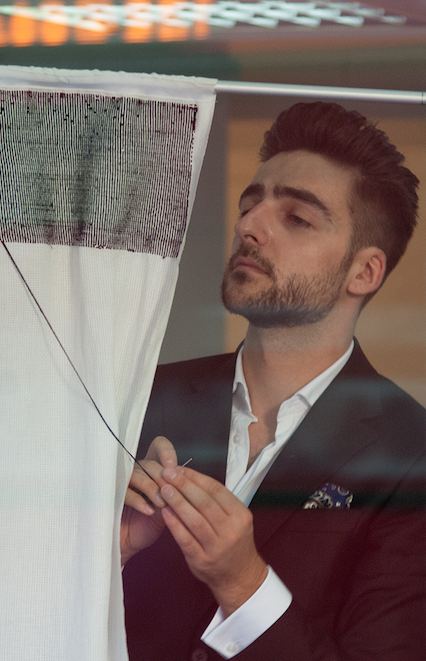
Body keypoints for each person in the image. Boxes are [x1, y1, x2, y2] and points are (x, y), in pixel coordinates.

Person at [120, 102, 426, 661]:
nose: (249, 226)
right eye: (251, 203)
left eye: (297, 218)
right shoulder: (138, 397)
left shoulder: (413, 455)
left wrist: (244, 585)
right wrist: (110, 551)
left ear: (365, 271)